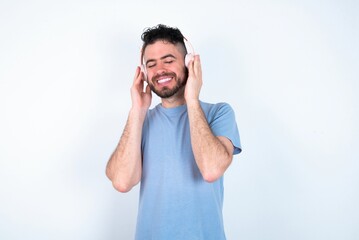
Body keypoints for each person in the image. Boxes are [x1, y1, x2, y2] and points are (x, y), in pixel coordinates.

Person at [106, 24, 242, 240]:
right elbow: (122, 182)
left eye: (168, 60)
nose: (160, 70)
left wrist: (192, 99)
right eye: (151, 64)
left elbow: (211, 169)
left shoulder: (219, 113)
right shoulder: (141, 122)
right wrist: (137, 111)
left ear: (189, 64)